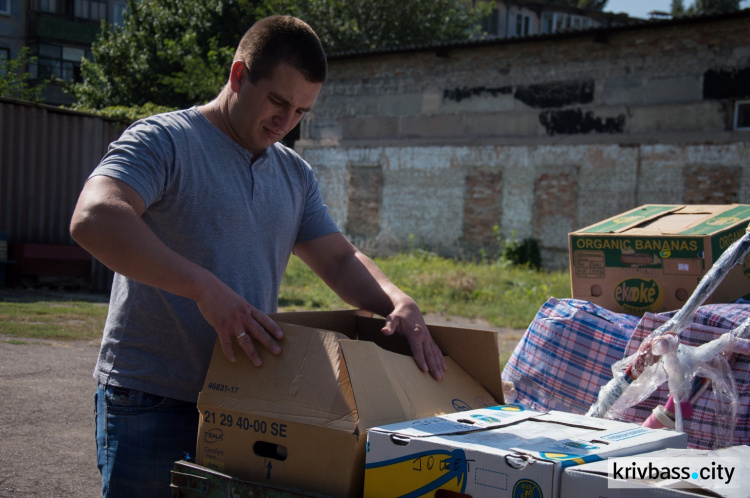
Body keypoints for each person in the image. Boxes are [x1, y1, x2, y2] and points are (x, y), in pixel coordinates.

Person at [69, 14, 446, 498]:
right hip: (153, 399)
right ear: (239, 76)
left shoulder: (294, 174)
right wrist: (204, 288)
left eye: (302, 113)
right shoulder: (163, 140)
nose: (286, 123)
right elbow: (94, 218)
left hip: (245, 400)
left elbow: (337, 260)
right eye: (278, 101)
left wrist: (398, 301)